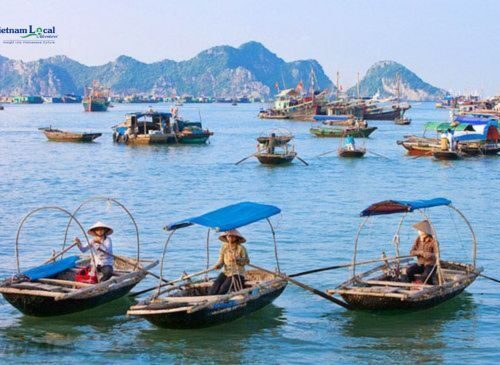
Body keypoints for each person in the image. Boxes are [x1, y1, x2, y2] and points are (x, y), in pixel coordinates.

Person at [208, 229, 249, 295]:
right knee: (214, 287)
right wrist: (218, 265)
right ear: (226, 237)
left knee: (224, 288)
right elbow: (221, 261)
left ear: (236, 237)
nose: (230, 238)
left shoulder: (241, 248)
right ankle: (209, 299)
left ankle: (219, 300)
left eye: (232, 236)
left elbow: (246, 261)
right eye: (228, 236)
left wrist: (237, 259)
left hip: (237, 273)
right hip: (226, 272)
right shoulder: (224, 247)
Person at [406, 220, 438, 284]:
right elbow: (411, 252)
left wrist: (430, 255)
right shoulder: (418, 239)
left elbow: (437, 255)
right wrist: (420, 253)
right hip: (420, 264)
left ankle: (430, 286)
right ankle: (413, 283)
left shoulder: (433, 241)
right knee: (409, 271)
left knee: (425, 276)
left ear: (424, 232)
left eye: (420, 230)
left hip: (430, 265)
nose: (418, 231)